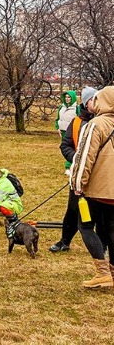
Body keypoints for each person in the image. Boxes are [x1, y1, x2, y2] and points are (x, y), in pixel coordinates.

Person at [69, 85, 114, 289]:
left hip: (96, 190)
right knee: (111, 230)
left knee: (85, 226)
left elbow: (84, 157)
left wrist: (77, 184)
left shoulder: (96, 125)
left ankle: (102, 272)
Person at [51, 86, 97, 253]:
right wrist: (77, 158)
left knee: (101, 213)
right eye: (93, 99)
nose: (96, 102)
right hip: (80, 174)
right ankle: (65, 241)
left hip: (101, 176)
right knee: (73, 209)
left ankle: (103, 244)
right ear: (86, 102)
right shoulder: (77, 122)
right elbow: (65, 145)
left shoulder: (105, 120)